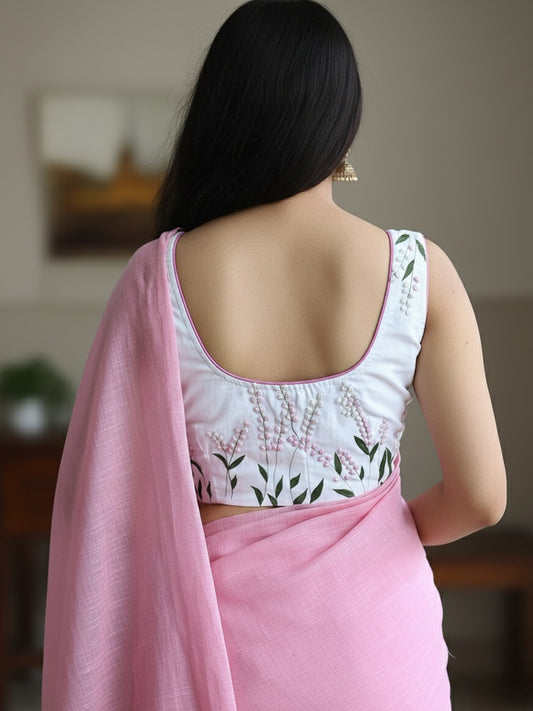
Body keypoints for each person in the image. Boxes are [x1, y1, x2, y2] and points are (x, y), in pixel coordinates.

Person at [42, 1, 506, 709]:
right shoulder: (419, 272)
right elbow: (481, 497)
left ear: (223, 115)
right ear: (341, 122)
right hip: (381, 646)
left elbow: (110, 510)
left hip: (218, 651)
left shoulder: (159, 276)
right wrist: (371, 529)